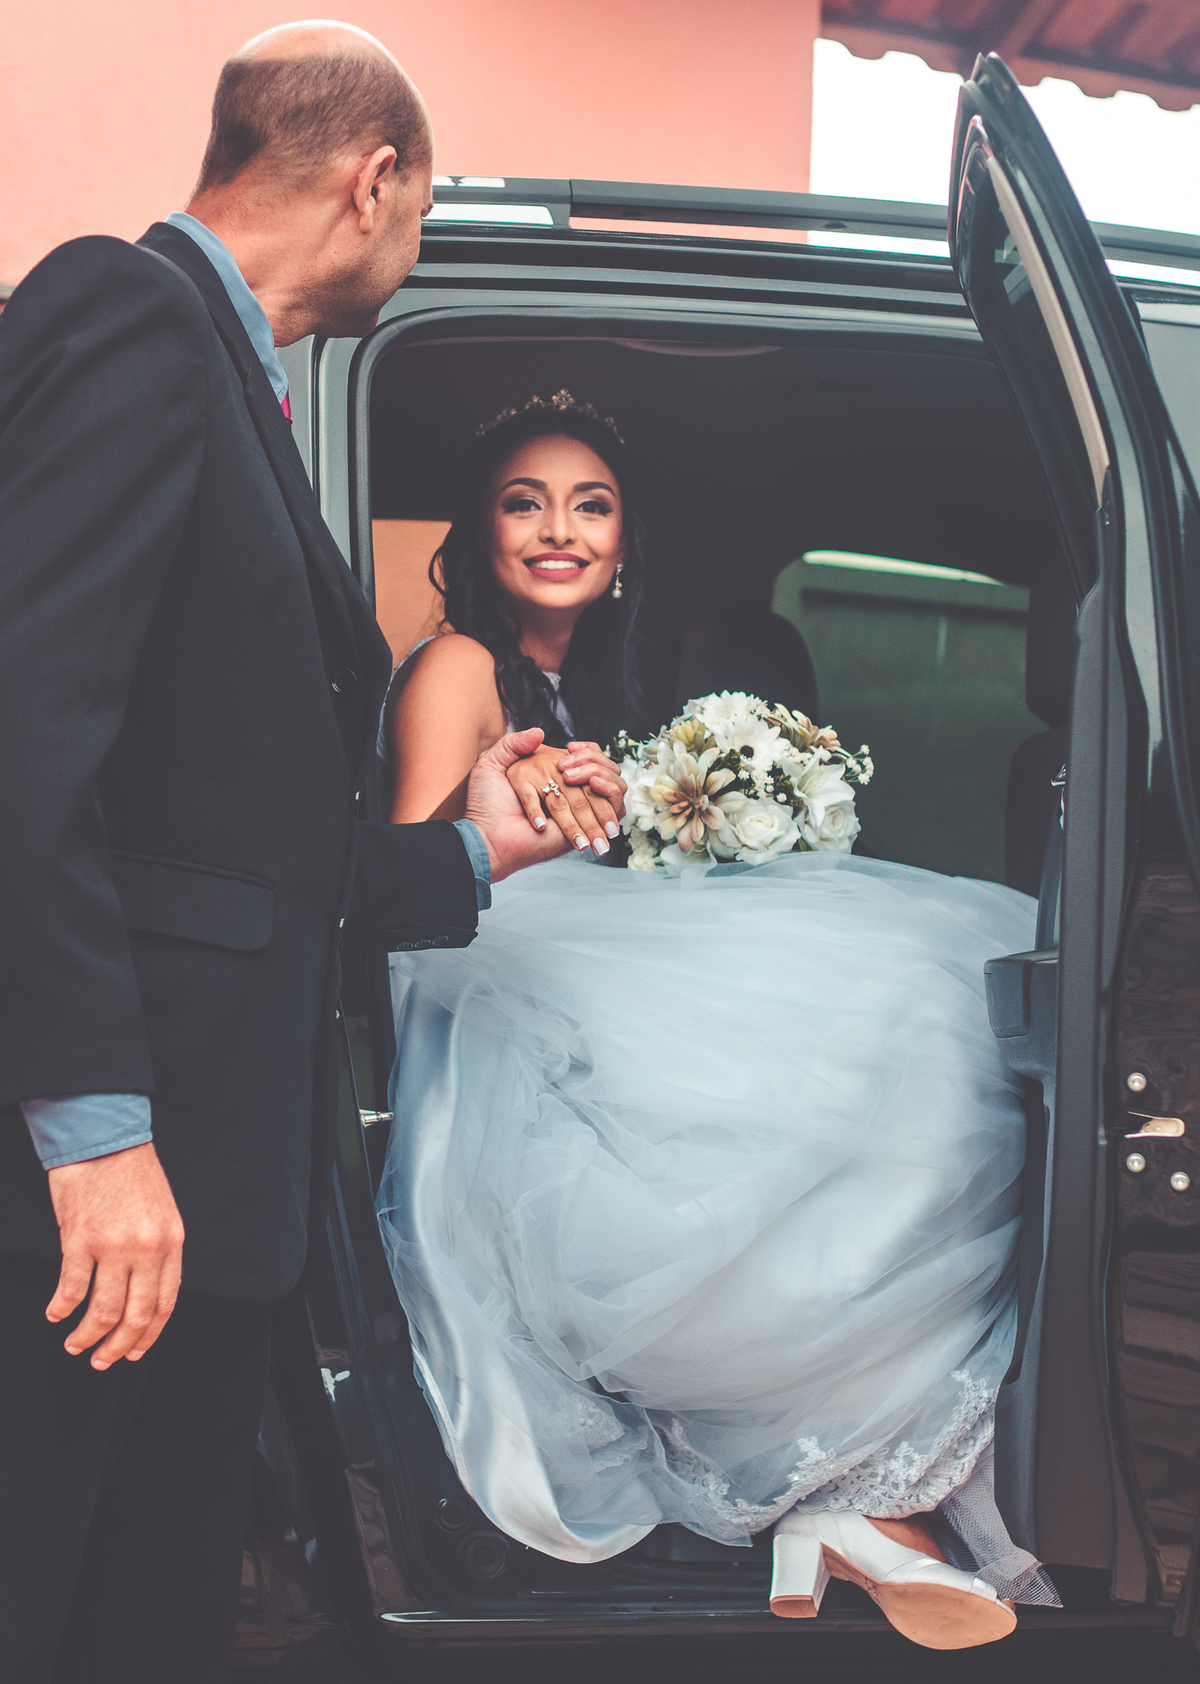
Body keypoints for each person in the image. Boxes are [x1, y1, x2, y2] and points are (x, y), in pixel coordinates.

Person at [0, 27, 604, 1683]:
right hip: (101, 1193)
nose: (412, 247)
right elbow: (18, 721)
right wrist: (97, 1129)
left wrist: (473, 855)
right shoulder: (125, 312)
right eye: (419, 211)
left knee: (142, 1618)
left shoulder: (227, 370)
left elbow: (232, 839)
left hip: (209, 1180)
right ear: (373, 179)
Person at [376, 393, 1060, 1650]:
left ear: (627, 541)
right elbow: (406, 890)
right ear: (482, 531)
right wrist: (504, 825)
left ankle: (855, 1493)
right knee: (911, 1000)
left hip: (579, 983)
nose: (558, 530)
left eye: (591, 504)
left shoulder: (602, 682)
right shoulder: (459, 665)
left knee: (906, 1040)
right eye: (524, 502)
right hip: (494, 1008)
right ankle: (849, 1495)